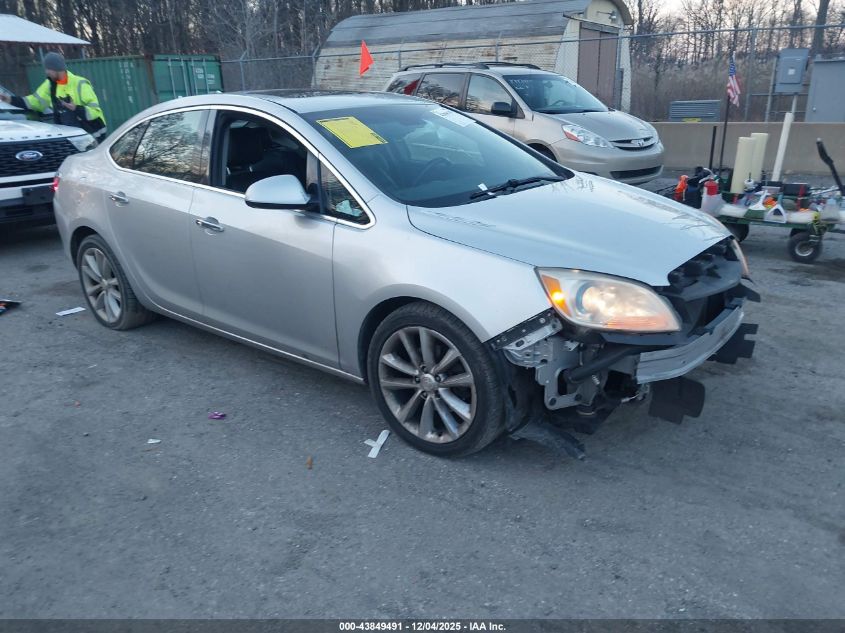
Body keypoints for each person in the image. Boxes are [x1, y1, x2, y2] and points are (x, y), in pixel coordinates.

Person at [0, 52, 107, 141]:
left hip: (93, 135)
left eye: (48, 69)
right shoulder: (50, 85)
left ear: (55, 68)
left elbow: (95, 111)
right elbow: (34, 102)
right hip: (70, 136)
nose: (46, 72)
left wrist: (77, 108)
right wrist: (9, 99)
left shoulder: (80, 83)